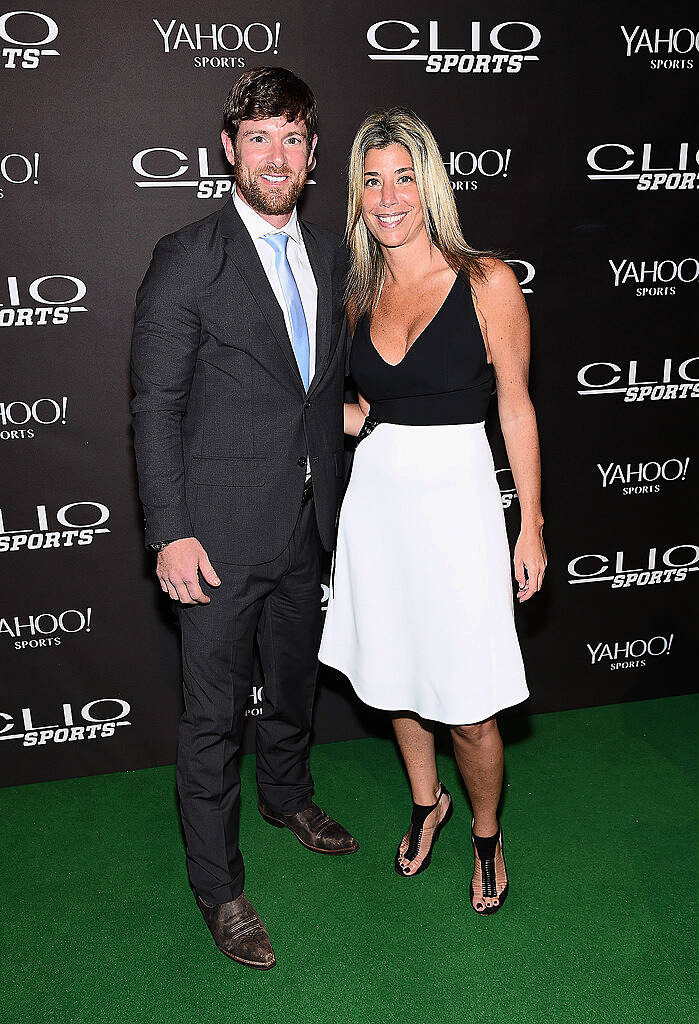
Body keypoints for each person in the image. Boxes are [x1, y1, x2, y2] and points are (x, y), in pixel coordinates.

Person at [131, 67, 358, 970]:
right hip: (216, 536)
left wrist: (347, 418)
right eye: (257, 136)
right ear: (229, 149)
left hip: (309, 523)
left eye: (292, 137)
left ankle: (288, 794)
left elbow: (310, 381)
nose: (276, 154)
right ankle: (218, 887)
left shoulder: (333, 252)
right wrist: (169, 529)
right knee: (212, 721)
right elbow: (154, 403)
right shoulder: (189, 254)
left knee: (294, 684)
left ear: (311, 154)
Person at [319, 108, 545, 915]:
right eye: (371, 181)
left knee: (471, 708)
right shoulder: (355, 288)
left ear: (430, 186)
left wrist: (533, 525)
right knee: (394, 680)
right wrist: (351, 422)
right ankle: (427, 803)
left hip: (457, 504)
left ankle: (485, 831)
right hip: (375, 501)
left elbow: (515, 407)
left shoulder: (486, 280)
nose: (386, 198)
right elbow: (343, 402)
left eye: (402, 178)